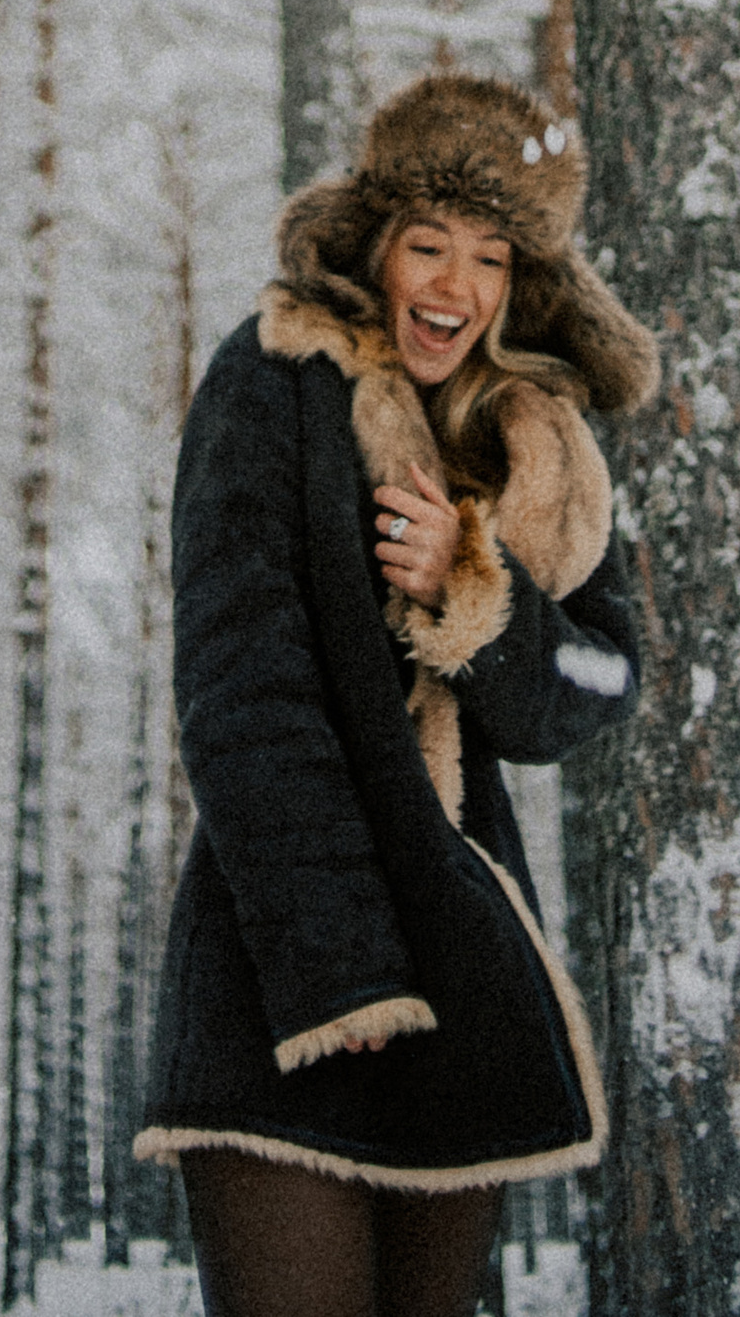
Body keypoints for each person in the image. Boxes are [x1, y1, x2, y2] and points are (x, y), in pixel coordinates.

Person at [135, 71, 658, 1317]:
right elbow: (240, 693)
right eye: (429, 242)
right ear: (375, 245)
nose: (454, 284)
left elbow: (594, 682)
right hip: (286, 969)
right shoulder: (272, 380)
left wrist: (475, 593)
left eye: (490, 256)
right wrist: (339, 966)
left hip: (463, 962)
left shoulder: (534, 444)